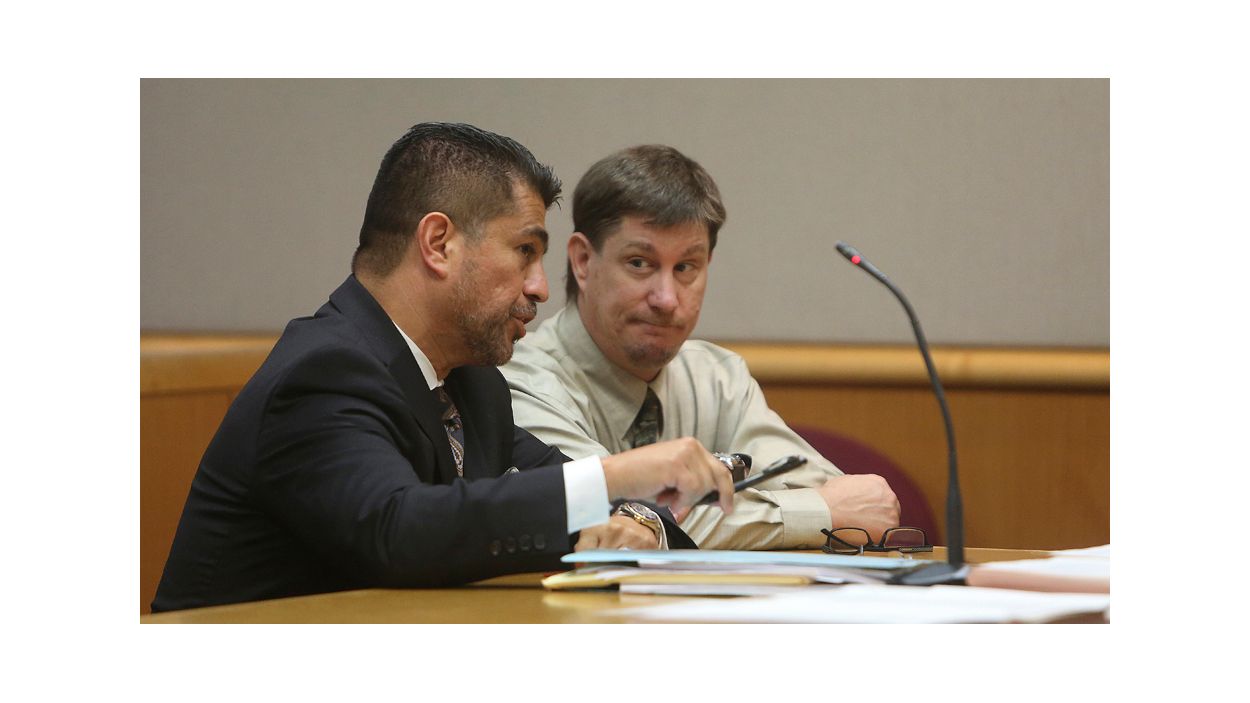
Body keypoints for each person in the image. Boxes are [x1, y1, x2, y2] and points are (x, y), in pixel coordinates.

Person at [152, 124, 734, 612]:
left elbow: (547, 495)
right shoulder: (323, 373)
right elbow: (400, 531)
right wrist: (615, 477)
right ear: (438, 243)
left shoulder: (470, 383)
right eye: (525, 251)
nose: (539, 287)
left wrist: (635, 517)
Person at [501, 145, 900, 550]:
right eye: (640, 263)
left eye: (685, 267)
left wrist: (815, 507)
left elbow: (832, 491)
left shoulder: (717, 378)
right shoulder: (519, 382)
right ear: (583, 261)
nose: (666, 299)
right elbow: (610, 516)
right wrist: (816, 515)